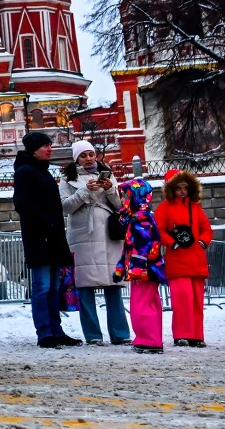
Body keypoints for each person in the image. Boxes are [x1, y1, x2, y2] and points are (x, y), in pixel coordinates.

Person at [59, 141, 130, 345]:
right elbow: (65, 207)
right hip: (84, 235)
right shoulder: (67, 179)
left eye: (91, 154)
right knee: (85, 287)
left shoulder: (108, 173)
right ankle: (93, 335)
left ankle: (120, 333)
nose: (89, 158)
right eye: (83, 155)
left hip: (108, 235)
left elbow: (120, 206)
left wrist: (109, 190)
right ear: (76, 158)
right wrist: (84, 192)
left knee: (114, 285)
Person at [13, 131, 78, 348]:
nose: (50, 149)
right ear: (33, 149)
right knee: (42, 287)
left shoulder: (43, 172)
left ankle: (55, 329)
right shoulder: (25, 172)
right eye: (45, 146)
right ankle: (44, 332)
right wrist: (46, 224)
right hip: (39, 238)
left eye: (50, 145)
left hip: (53, 237)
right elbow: (24, 206)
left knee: (53, 287)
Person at [154, 169, 212, 347]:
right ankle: (182, 334)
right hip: (178, 260)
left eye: (185, 187)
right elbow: (159, 230)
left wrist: (203, 242)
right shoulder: (164, 207)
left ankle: (196, 335)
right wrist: (173, 243)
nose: (182, 191)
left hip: (196, 259)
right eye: (178, 188)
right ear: (171, 189)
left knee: (196, 301)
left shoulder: (195, 207)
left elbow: (206, 228)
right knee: (182, 300)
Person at [115, 178, 167, 353]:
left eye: (125, 197)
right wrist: (120, 268)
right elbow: (129, 248)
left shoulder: (141, 220)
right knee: (148, 303)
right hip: (145, 271)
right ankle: (151, 338)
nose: (123, 200)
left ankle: (149, 340)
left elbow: (142, 248)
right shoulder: (136, 218)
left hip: (144, 272)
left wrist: (135, 269)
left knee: (142, 306)